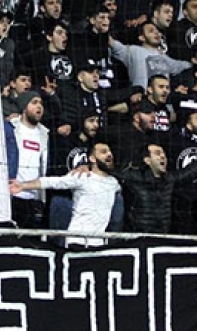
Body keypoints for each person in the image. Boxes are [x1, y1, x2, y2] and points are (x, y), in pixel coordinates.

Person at [10, 141, 120, 247]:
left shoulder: (114, 183)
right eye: (103, 152)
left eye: (110, 151)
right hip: (78, 240)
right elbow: (52, 182)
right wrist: (22, 186)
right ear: (92, 158)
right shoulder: (81, 176)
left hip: (99, 242)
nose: (109, 154)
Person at [120, 142, 197, 233]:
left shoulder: (169, 179)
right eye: (157, 153)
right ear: (147, 160)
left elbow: (188, 172)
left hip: (163, 234)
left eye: (164, 154)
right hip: (140, 236)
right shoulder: (134, 177)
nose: (163, 156)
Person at [10, 91, 50, 229]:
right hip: (11, 195)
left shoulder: (45, 134)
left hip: (33, 199)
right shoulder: (11, 128)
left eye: (41, 103)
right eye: (34, 103)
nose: (39, 106)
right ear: (24, 107)